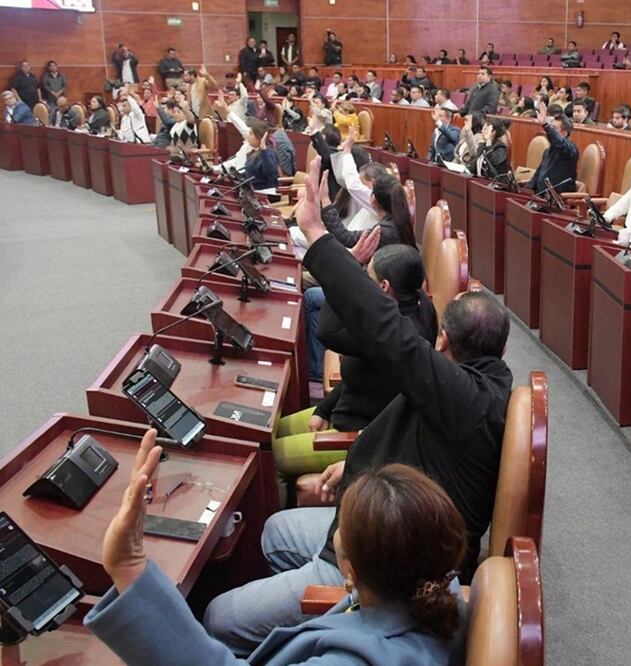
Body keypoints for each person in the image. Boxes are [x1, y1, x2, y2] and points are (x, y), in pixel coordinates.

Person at [203, 164, 513, 654]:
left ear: (445, 339)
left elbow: (387, 330)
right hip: (397, 521)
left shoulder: (463, 396)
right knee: (275, 530)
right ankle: (327, 607)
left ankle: (337, 613)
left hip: (395, 557)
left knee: (218, 617)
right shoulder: (484, 386)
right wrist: (355, 465)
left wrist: (318, 237)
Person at [87, 425, 469, 665]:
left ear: (349, 570)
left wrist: (129, 566)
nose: (333, 532)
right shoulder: (438, 583)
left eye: (340, 526)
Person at [274, 246, 437, 488]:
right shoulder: (408, 307)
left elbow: (327, 333)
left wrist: (339, 278)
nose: (360, 282)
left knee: (270, 455)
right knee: (273, 429)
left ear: (383, 287)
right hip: (344, 411)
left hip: (359, 439)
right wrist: (324, 409)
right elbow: (360, 374)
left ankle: (291, 516)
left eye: (364, 277)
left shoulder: (395, 333)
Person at [526, 101, 578, 194]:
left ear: (564, 133)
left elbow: (560, 143)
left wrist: (545, 125)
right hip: (541, 197)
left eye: (554, 128)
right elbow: (537, 175)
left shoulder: (570, 149)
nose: (550, 131)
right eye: (551, 127)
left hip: (558, 201)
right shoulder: (548, 151)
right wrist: (524, 191)